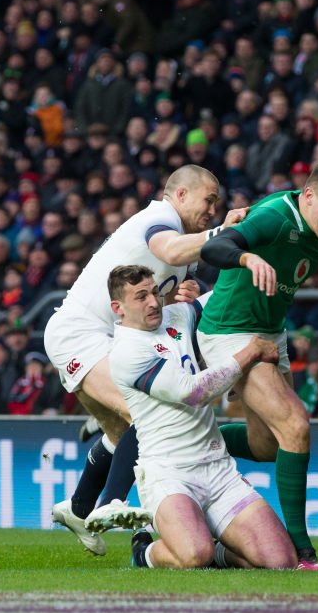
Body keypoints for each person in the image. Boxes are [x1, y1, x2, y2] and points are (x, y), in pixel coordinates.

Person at [47, 164, 245, 556]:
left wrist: (187, 293)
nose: (212, 208)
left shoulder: (186, 247)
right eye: (208, 200)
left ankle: (78, 506)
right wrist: (225, 232)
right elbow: (168, 250)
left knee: (124, 437)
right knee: (148, 419)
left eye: (217, 203)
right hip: (81, 335)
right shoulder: (160, 218)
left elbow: (163, 298)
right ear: (181, 195)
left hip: (119, 340)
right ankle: (111, 503)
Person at [197, 158, 318, 570]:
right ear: (309, 195)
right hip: (232, 331)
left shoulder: (317, 230)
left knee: (266, 445)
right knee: (295, 424)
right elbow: (214, 248)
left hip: (271, 332)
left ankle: (183, 435)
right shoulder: (275, 216)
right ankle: (302, 549)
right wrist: (246, 258)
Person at [103, 266, 295, 570]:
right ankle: (145, 553)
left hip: (218, 470)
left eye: (154, 291)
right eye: (141, 296)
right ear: (119, 308)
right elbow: (193, 392)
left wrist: (247, 266)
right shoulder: (126, 352)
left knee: (281, 561)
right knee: (194, 554)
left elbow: (222, 298)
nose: (153, 302)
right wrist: (250, 351)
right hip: (169, 473)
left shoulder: (177, 314)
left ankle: (220, 551)